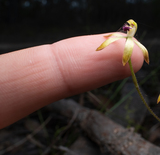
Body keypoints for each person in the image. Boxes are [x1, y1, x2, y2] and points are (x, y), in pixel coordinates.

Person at [0, 34, 144, 129]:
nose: (129, 27)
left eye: (132, 26)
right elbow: (104, 44)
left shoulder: (125, 41)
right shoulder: (116, 38)